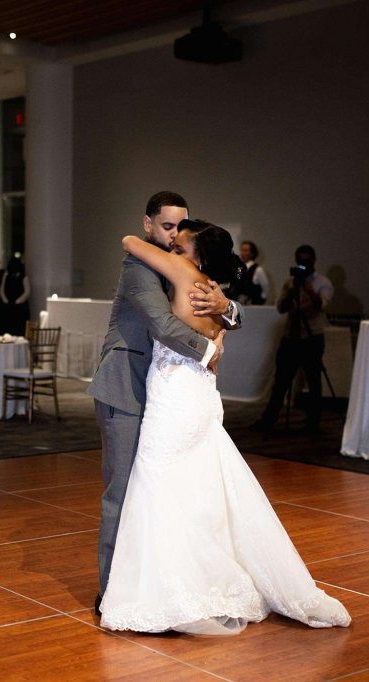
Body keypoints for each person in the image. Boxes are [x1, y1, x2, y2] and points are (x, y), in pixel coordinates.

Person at [99, 220, 350, 635]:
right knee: (198, 490)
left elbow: (128, 241)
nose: (173, 246)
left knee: (157, 484)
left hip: (175, 399)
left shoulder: (182, 273)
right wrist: (225, 308)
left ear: (197, 256)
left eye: (181, 244)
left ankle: (171, 590)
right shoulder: (215, 292)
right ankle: (202, 578)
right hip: (200, 399)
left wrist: (155, 243)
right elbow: (229, 319)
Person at [88, 191, 242, 618]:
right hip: (126, 388)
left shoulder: (185, 265)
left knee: (162, 492)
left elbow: (227, 308)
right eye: (167, 226)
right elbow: (161, 324)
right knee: (122, 493)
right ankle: (111, 592)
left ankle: (158, 585)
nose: (175, 234)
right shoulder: (139, 265)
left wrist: (228, 307)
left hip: (164, 395)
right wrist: (209, 350)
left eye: (180, 226)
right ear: (148, 224)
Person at [251, 244, 334, 434]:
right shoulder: (290, 282)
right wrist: (290, 291)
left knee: (313, 380)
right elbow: (281, 308)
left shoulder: (323, 282)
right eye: (299, 261)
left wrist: (306, 286)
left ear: (313, 261)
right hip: (291, 336)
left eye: (306, 261)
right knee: (281, 381)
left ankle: (313, 422)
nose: (302, 265)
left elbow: (321, 305)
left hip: (312, 336)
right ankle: (269, 419)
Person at [0, 255, 31, 335]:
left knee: (19, 329)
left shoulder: (23, 277)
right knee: (8, 330)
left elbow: (27, 292)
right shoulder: (6, 276)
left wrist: (18, 301)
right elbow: (2, 290)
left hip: (20, 308)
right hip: (9, 306)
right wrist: (6, 300)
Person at [237, 240, 269, 305]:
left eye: (245, 250)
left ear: (252, 253)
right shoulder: (239, 269)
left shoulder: (258, 269)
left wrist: (260, 301)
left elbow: (265, 287)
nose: (242, 253)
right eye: (242, 250)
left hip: (253, 306)